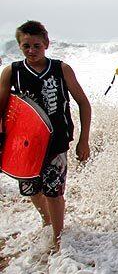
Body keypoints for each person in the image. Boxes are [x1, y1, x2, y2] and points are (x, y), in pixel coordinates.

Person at [0, 21, 92, 249]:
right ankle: (46, 219)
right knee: (32, 189)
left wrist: (84, 140)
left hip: (56, 141)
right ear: (19, 46)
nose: (31, 50)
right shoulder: (12, 72)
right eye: (26, 45)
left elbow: (83, 103)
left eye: (36, 45)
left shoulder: (61, 69)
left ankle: (58, 238)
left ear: (47, 44)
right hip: (24, 145)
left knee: (54, 191)